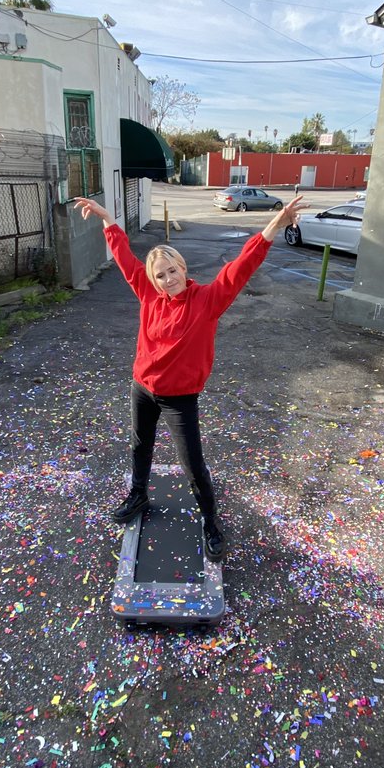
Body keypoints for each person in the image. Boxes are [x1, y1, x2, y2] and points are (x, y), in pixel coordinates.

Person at [73, 193, 305, 561]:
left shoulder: (209, 300)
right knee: (139, 445)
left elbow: (243, 264)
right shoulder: (149, 296)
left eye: (172, 270)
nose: (168, 279)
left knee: (192, 463)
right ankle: (138, 495)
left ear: (183, 267)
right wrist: (106, 218)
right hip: (143, 388)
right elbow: (124, 257)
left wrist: (276, 222)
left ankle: (211, 520)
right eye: (160, 275)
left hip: (180, 397)